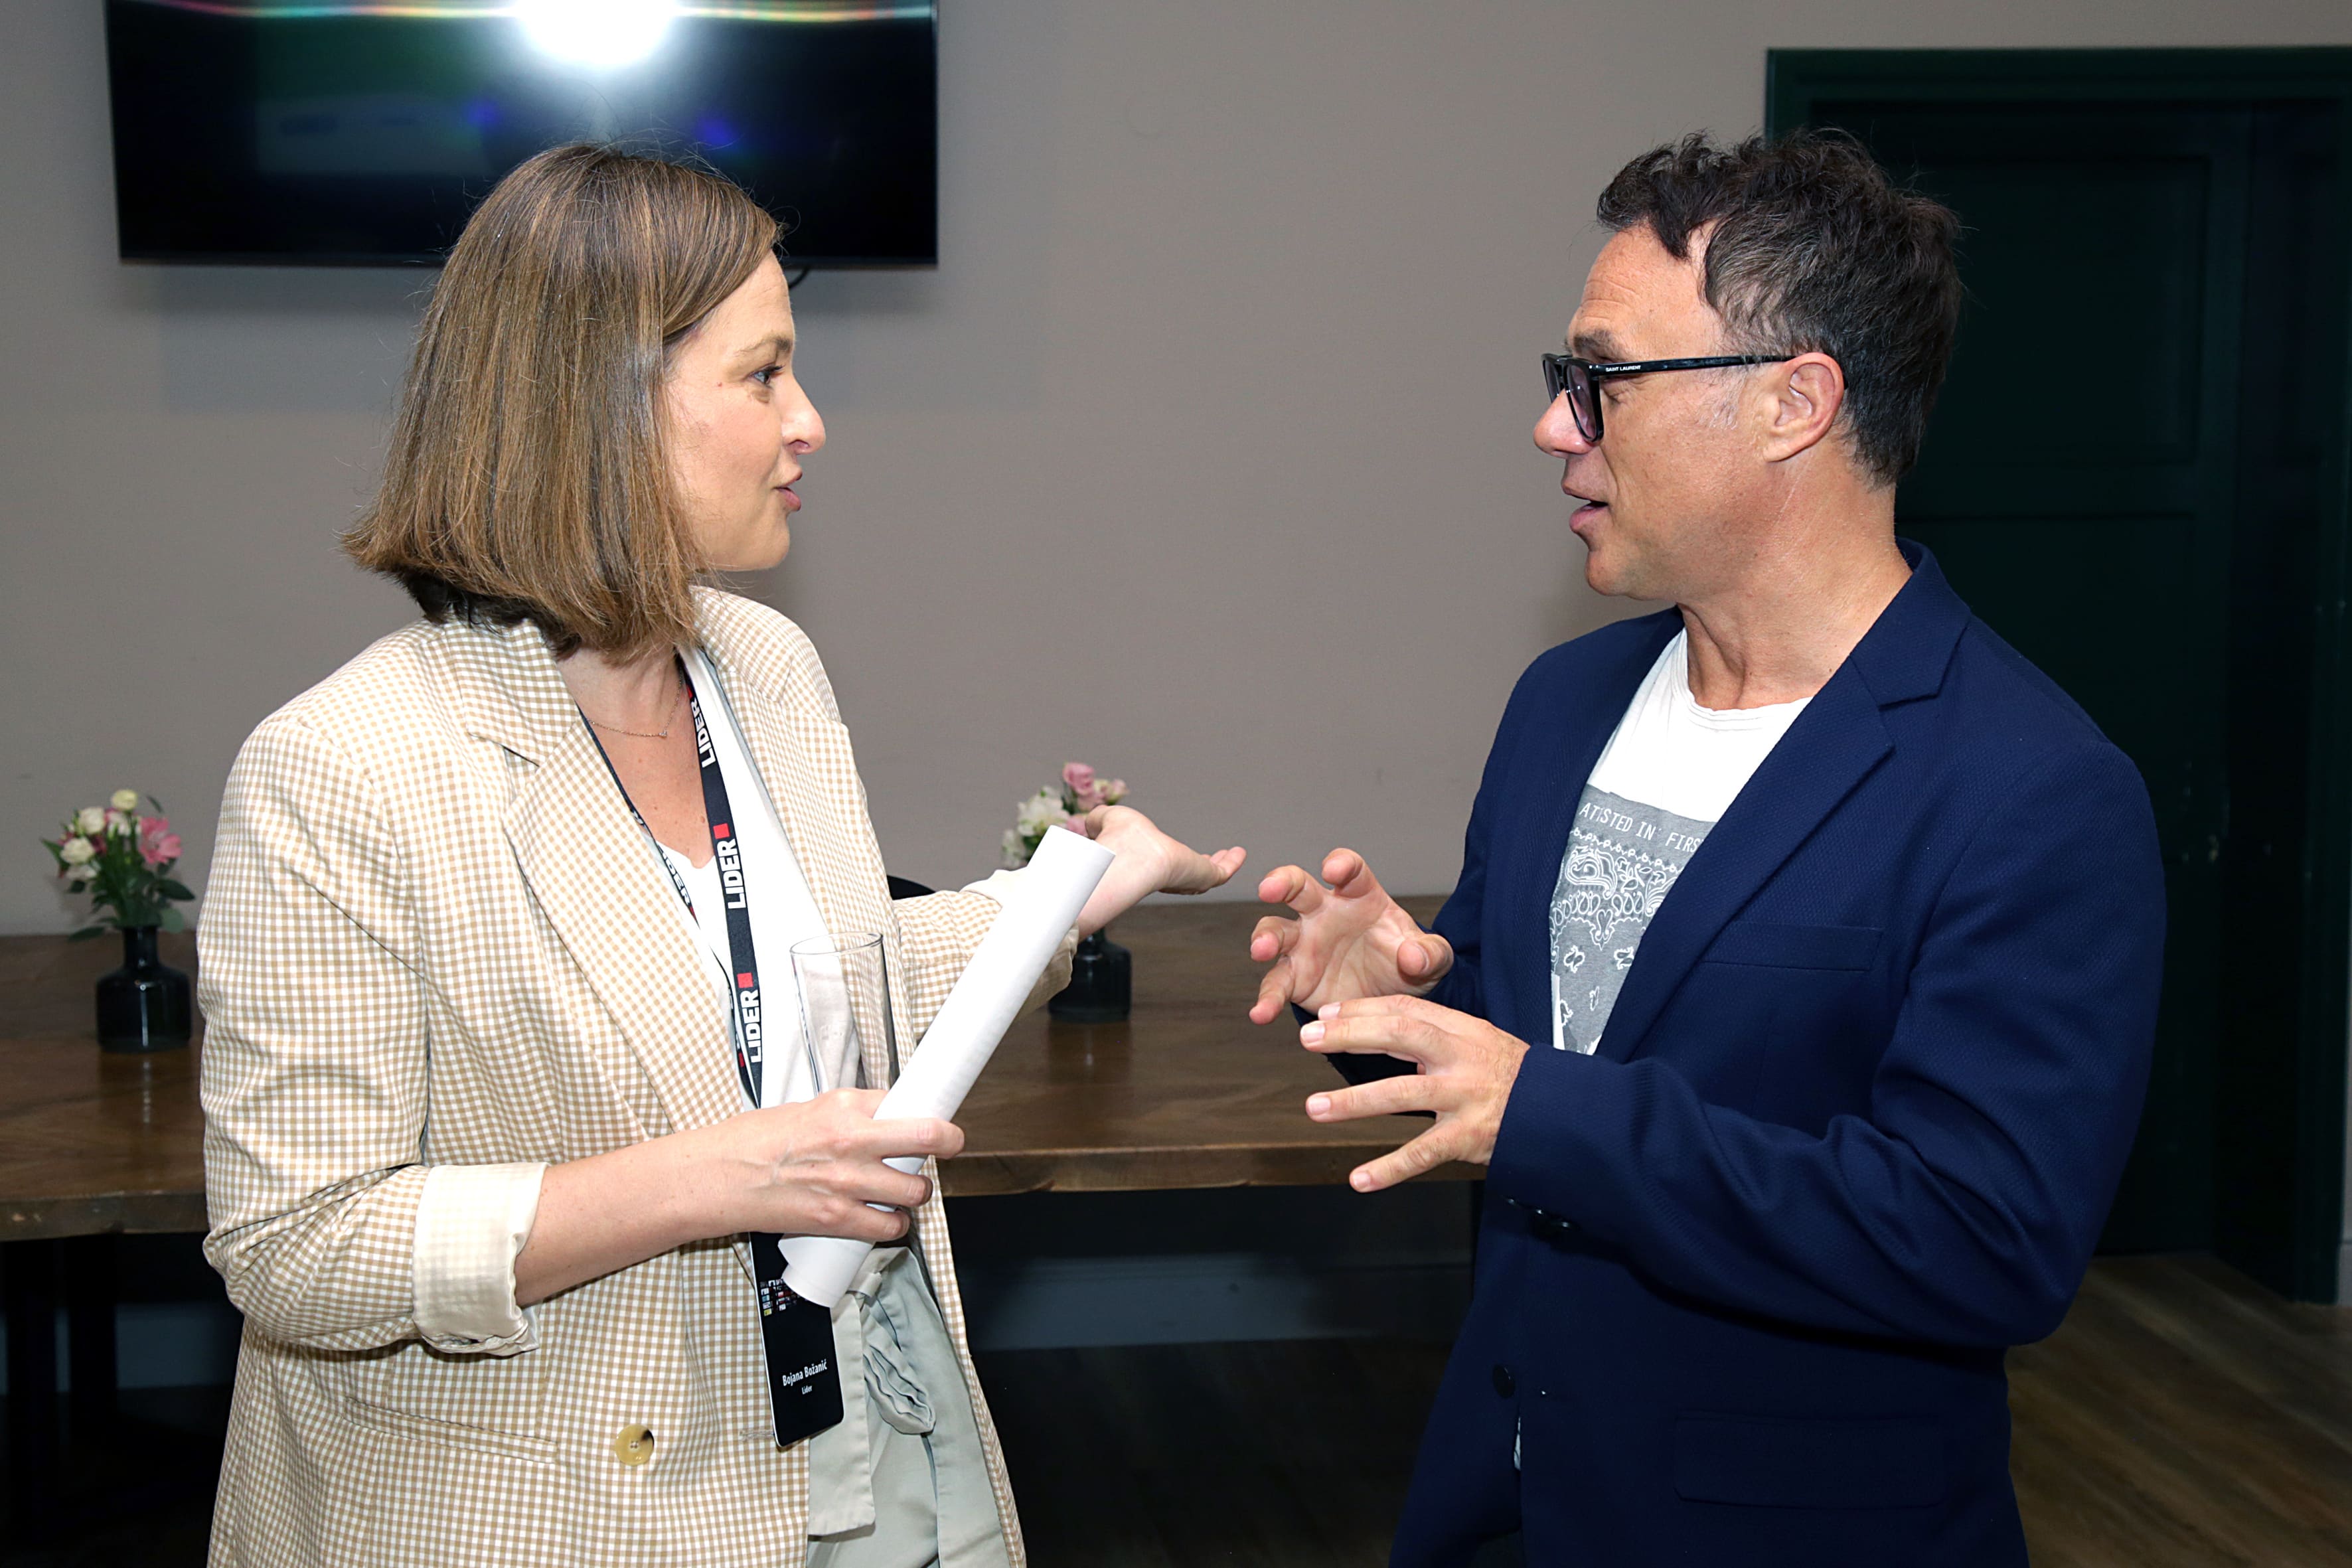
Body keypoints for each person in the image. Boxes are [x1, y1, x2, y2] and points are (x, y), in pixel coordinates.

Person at [197, 144, 1243, 1568]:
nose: (809, 423)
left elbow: (806, 993)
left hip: (851, 1443)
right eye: (763, 375)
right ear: (599, 405)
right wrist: (710, 1177)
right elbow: (300, 1244)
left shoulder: (765, 666)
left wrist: (1066, 892)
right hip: (561, 1514)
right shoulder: (347, 766)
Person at [1249, 131, 2163, 1567]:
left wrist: (1541, 1108)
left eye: (1600, 380)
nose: (1553, 427)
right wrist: (1397, 1001)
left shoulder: (2030, 788)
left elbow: (1983, 1237)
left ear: (1795, 402)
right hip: (1505, 1500)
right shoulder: (1565, 701)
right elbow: (1536, 1060)